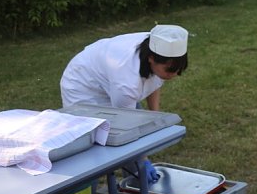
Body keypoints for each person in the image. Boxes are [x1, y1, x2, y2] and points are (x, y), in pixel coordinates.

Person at [60, 24, 189, 182]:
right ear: (151, 59)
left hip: (110, 78)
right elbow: (127, 129)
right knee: (91, 154)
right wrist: (144, 159)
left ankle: (137, 192)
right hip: (83, 86)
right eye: (170, 70)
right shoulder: (127, 82)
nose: (174, 74)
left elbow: (154, 82)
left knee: (136, 151)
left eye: (178, 70)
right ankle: (93, 189)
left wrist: (155, 119)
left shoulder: (157, 46)